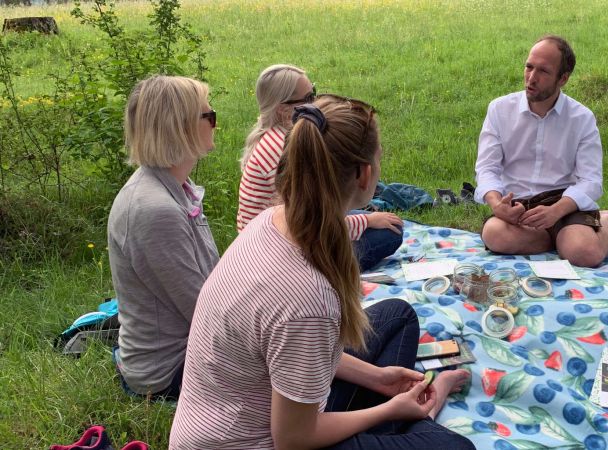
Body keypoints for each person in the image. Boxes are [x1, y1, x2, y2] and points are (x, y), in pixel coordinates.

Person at [171, 95, 474, 450]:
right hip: (255, 440)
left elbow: (294, 347)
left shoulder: (271, 220)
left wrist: (379, 379)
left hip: (243, 411)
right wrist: (388, 408)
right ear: (363, 173)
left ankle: (388, 420)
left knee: (398, 315)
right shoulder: (308, 299)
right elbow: (293, 439)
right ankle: (396, 421)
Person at [475, 35, 608, 267]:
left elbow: (591, 180)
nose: (531, 78)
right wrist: (497, 205)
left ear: (563, 78)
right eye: (529, 67)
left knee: (585, 255)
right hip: (518, 208)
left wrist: (556, 212)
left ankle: (606, 221)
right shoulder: (499, 109)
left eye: (543, 71)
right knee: (495, 235)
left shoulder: (582, 118)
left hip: (564, 204)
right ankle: (562, 238)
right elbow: (487, 168)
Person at [107, 75, 220, 399]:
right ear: (179, 126)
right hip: (169, 372)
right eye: (208, 116)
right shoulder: (155, 210)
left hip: (189, 351)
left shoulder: (172, 189)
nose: (215, 123)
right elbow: (206, 311)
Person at [237, 64, 402, 270]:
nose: (315, 103)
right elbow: (313, 221)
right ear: (282, 110)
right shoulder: (281, 147)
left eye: (314, 93)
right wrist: (366, 221)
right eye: (307, 99)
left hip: (275, 237)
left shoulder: (278, 138)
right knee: (389, 234)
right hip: (281, 252)